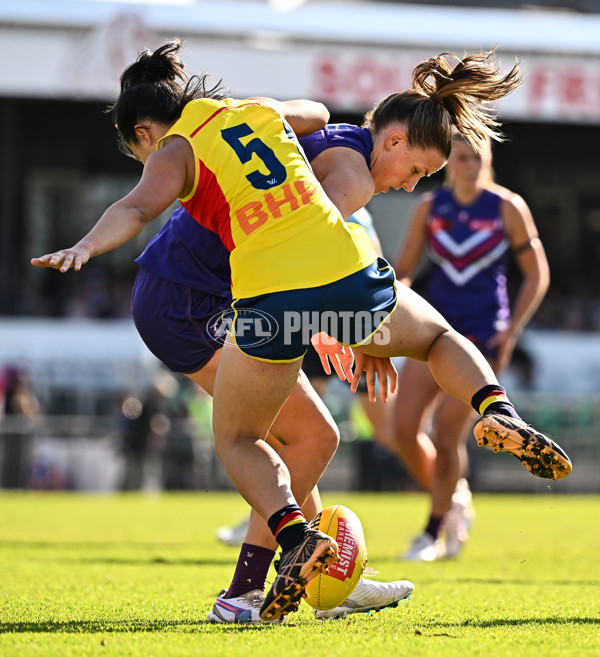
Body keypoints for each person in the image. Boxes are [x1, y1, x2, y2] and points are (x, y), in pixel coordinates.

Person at [31, 41, 571, 623]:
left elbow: (248, 211)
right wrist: (351, 328)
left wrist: (344, 326)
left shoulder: (208, 144)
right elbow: (315, 231)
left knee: (309, 437)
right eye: (416, 171)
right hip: (187, 300)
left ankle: (320, 570)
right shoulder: (283, 132)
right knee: (316, 426)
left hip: (251, 291)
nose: (412, 185)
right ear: (390, 139)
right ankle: (493, 409)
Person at [391, 132, 550, 561]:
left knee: (447, 436)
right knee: (403, 429)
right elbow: (403, 272)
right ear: (447, 162)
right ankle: (454, 495)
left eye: (477, 157)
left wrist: (511, 329)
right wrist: (389, 313)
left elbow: (537, 274)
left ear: (488, 160)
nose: (469, 165)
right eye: (461, 158)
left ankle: (432, 530)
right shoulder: (430, 207)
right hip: (433, 334)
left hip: (481, 338)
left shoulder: (506, 206)